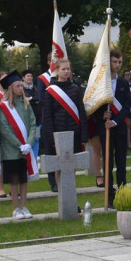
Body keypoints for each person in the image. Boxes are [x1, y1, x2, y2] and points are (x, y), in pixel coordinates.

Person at [40, 59, 88, 191]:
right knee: (60, 165)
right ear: (57, 71)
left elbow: (81, 112)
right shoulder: (50, 91)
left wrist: (84, 134)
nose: (66, 71)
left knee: (71, 164)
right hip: (58, 135)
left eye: (68, 69)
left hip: (74, 133)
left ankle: (70, 193)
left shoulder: (76, 89)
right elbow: (47, 117)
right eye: (63, 69)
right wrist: (51, 138)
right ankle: (62, 192)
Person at [0, 71, 37, 219]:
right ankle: (16, 208)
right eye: (18, 86)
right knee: (14, 180)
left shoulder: (26, 104)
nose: (21, 88)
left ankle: (24, 206)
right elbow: (4, 128)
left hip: (26, 149)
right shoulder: (4, 107)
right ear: (10, 88)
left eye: (21, 85)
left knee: (23, 179)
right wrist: (19, 144)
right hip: (12, 150)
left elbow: (33, 123)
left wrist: (29, 143)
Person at [102, 50, 131, 205]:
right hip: (105, 127)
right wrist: (102, 115)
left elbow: (127, 105)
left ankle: (122, 193)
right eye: (114, 62)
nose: (117, 65)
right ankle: (109, 195)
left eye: (120, 62)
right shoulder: (101, 82)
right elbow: (93, 103)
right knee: (107, 162)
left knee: (121, 161)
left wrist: (116, 121)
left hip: (119, 126)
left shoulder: (123, 83)